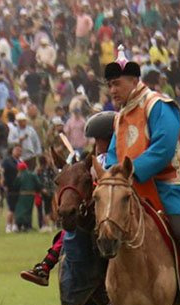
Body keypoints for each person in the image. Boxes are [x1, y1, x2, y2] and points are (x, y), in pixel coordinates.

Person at [103, 60, 180, 305]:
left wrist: (129, 173)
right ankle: (117, 293)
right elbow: (112, 153)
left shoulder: (159, 105)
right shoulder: (120, 115)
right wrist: (113, 174)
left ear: (134, 80)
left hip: (171, 185)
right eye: (109, 85)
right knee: (108, 228)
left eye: (116, 84)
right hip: (132, 187)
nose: (112, 90)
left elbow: (162, 149)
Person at [22, 110, 115, 285]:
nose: (96, 143)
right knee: (68, 231)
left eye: (99, 139)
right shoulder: (96, 158)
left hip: (110, 208)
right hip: (91, 208)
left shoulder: (116, 158)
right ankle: (45, 267)